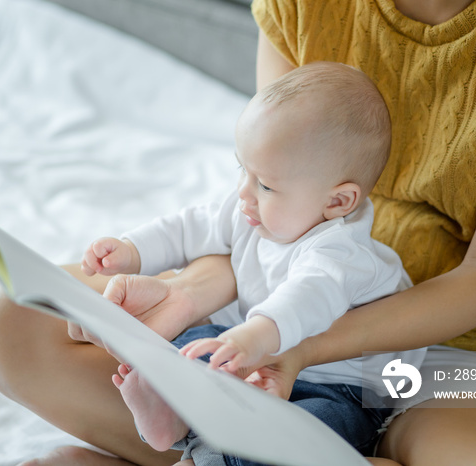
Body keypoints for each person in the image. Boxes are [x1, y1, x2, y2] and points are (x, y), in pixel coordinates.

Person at [0, 0, 476, 465]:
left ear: (342, 201)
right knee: (11, 316)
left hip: (451, 353)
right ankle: (208, 440)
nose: (243, 190)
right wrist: (179, 285)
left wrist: (287, 347)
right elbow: (230, 221)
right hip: (260, 325)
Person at [73, 61, 425, 464]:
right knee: (183, 352)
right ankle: (169, 410)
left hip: (337, 386)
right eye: (243, 169)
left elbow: (306, 297)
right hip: (248, 350)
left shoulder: (341, 251)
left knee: (292, 436)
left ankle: (210, 448)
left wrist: (254, 337)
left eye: (266, 184)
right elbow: (190, 227)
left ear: (337, 201)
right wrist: (132, 249)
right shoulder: (250, 207)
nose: (244, 193)